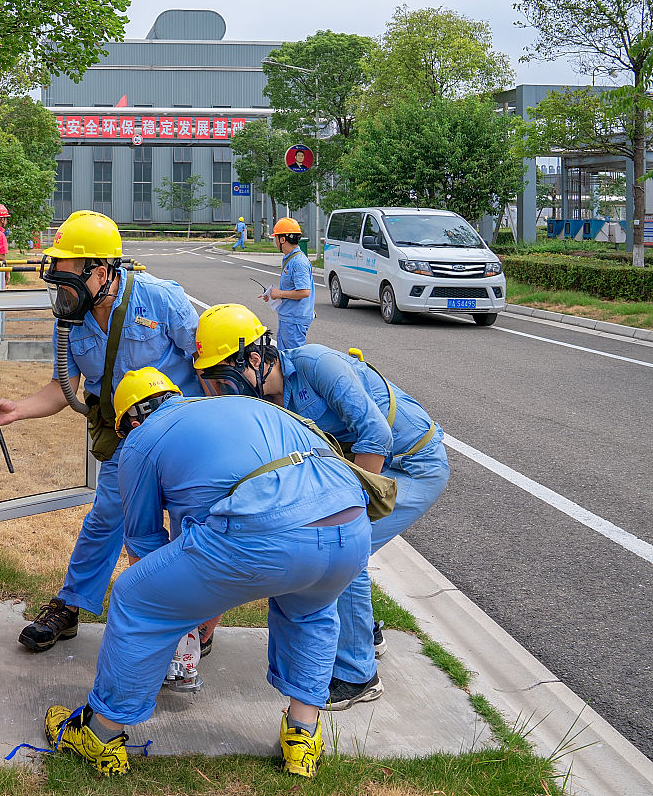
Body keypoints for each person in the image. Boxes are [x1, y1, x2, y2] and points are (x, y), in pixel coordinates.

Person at [43, 367, 371, 779]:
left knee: (135, 596)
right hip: (350, 528)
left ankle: (100, 734)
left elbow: (146, 547)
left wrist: (177, 626)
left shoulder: (142, 440)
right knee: (310, 612)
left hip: (267, 533)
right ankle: (303, 738)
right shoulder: (235, 407)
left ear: (131, 420)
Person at [192, 303, 450, 711]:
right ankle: (365, 634)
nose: (224, 395)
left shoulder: (316, 364)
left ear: (255, 360)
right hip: (374, 465)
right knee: (329, 543)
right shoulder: (271, 405)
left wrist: (344, 511)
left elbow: (374, 434)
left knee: (343, 551)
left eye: (224, 383)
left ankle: (356, 675)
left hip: (413, 465)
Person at [0, 210, 203, 653]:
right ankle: (70, 604)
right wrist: (16, 410)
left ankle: (189, 626)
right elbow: (64, 388)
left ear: (101, 272)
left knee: (188, 526)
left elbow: (209, 365)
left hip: (182, 437)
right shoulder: (74, 317)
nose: (61, 288)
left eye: (67, 275)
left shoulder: (162, 300)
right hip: (126, 440)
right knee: (106, 519)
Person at [261, 217, 314, 349]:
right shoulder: (290, 259)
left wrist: (279, 293)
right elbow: (293, 288)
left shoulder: (298, 262)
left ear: (282, 239)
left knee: (292, 358)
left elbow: (304, 292)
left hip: (294, 320)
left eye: (276, 238)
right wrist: (272, 294)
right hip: (289, 318)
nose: (275, 241)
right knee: (284, 356)